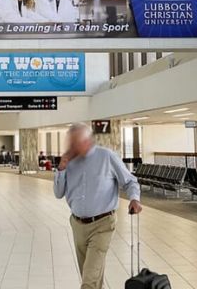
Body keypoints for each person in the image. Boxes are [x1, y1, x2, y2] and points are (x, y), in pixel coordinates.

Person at [54, 123, 142, 289]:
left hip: (103, 224)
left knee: (89, 279)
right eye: (70, 143)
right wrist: (61, 168)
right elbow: (58, 193)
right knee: (90, 274)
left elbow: (130, 181)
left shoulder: (107, 156)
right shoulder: (69, 162)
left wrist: (134, 199)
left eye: (75, 143)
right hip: (78, 225)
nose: (72, 147)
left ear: (87, 141)